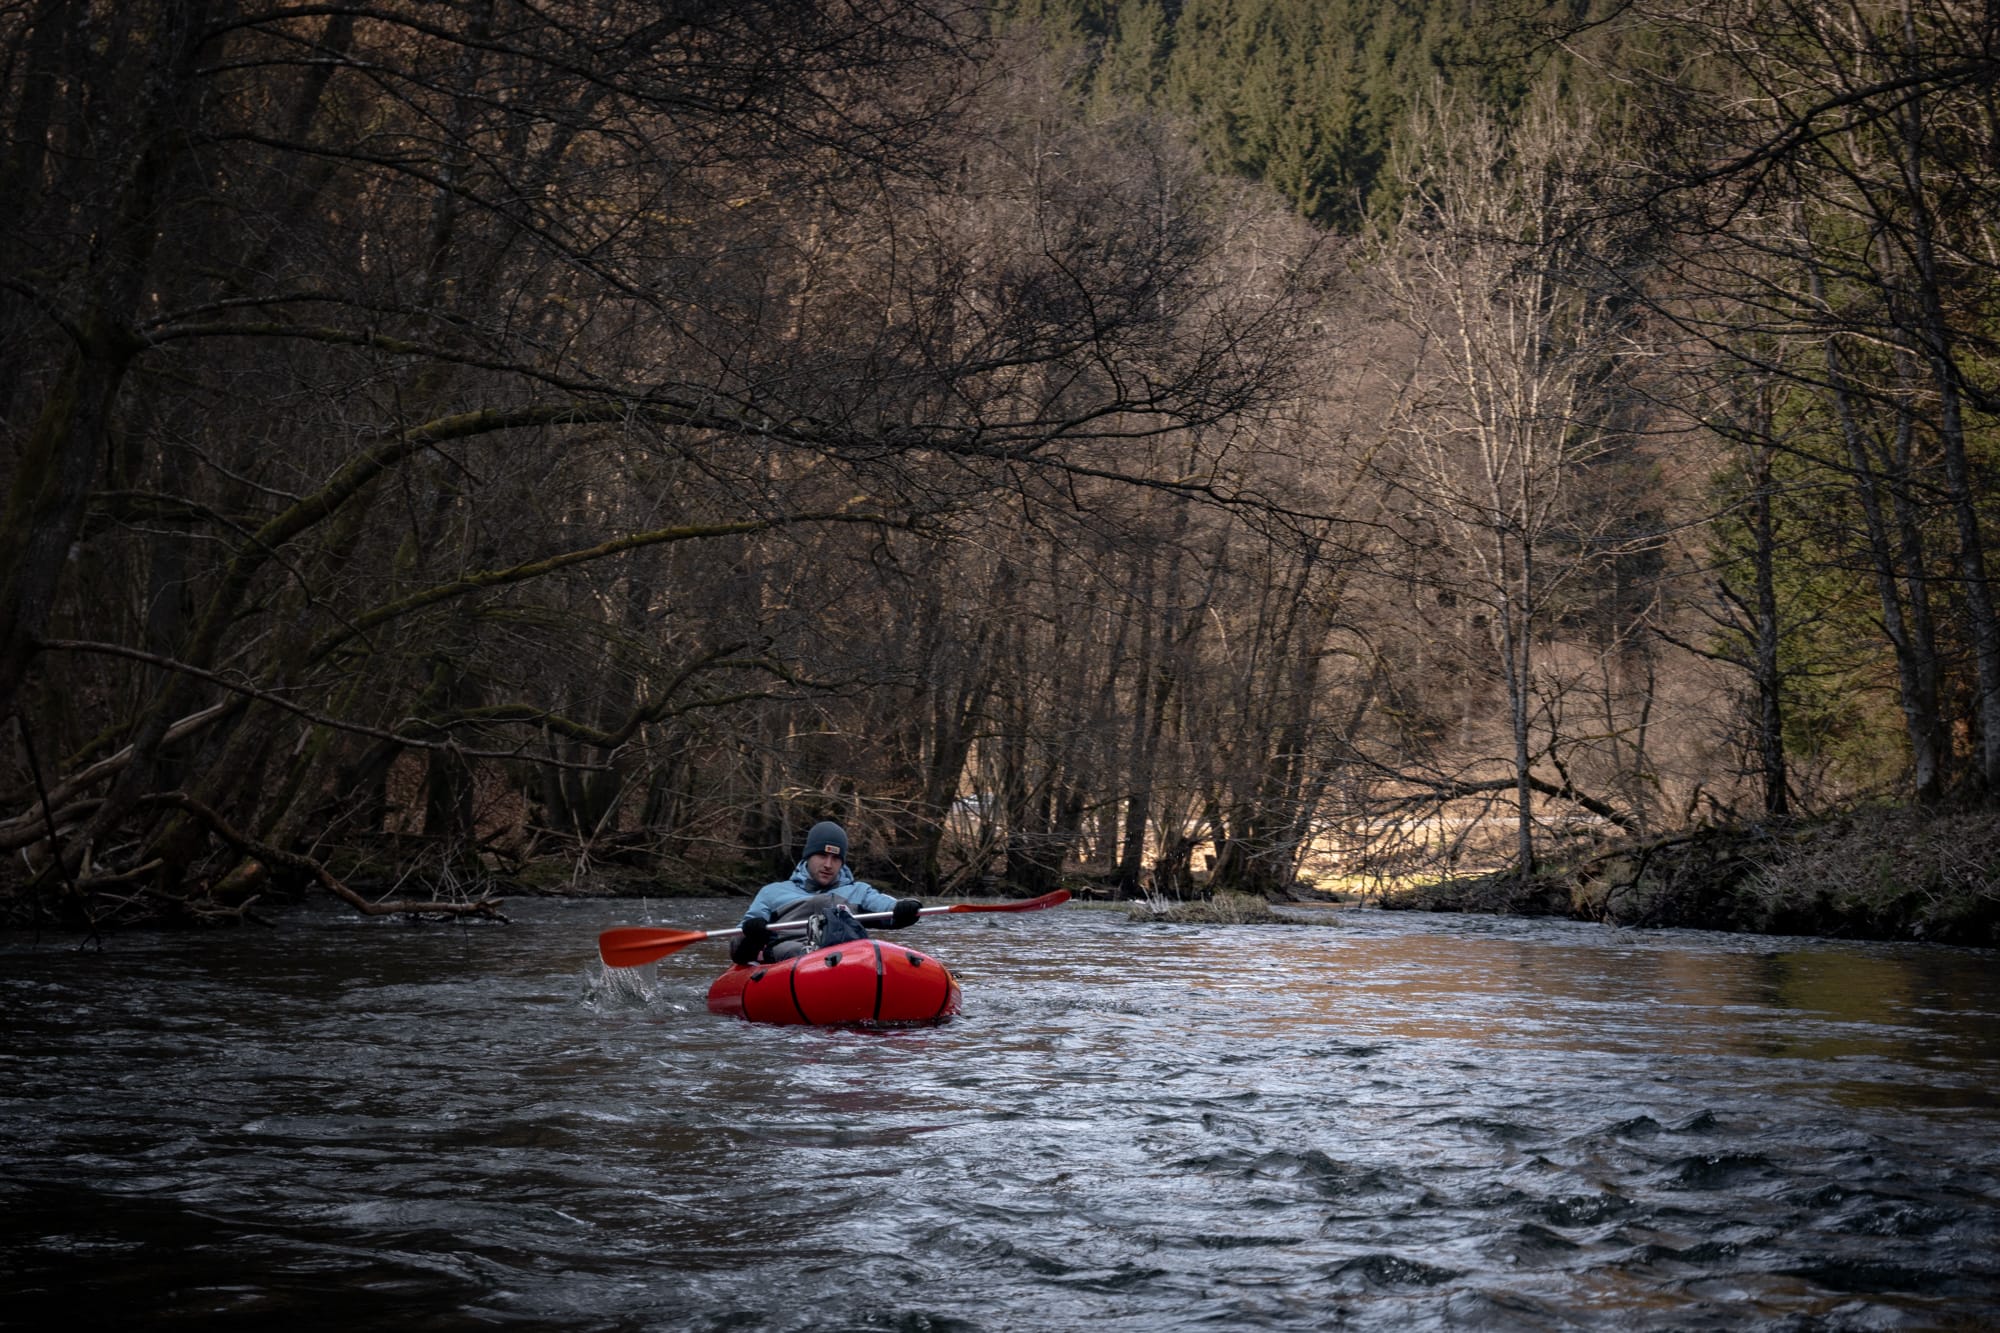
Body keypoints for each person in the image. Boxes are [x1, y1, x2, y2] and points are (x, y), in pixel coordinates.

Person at [730, 820, 921, 964]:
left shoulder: (859, 891)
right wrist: (752, 932)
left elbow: (886, 906)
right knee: (795, 951)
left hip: (846, 955)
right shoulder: (772, 893)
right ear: (808, 857)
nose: (828, 865)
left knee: (869, 949)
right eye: (822, 855)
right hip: (789, 957)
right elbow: (738, 941)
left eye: (835, 858)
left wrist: (906, 908)